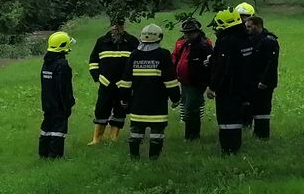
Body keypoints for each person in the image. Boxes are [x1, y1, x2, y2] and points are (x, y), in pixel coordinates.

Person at [125, 24, 181, 159]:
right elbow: (170, 80)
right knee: (157, 133)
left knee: (136, 132)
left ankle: (134, 158)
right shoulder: (163, 54)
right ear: (160, 37)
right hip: (157, 103)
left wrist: (124, 99)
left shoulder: (134, 55)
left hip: (138, 103)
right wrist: (175, 98)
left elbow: (126, 81)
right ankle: (154, 159)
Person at [207, 7, 257, 154]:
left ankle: (228, 149)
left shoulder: (227, 41)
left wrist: (213, 87)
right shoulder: (245, 39)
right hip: (243, 87)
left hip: (228, 89)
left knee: (227, 120)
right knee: (236, 120)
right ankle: (234, 146)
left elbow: (222, 67)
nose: (216, 29)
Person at [87, 17, 138, 145]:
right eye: (114, 25)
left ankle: (113, 138)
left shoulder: (132, 41)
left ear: (123, 25)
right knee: (101, 109)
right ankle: (96, 139)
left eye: (119, 24)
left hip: (124, 84)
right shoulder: (101, 41)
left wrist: (130, 80)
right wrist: (98, 77)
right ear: (110, 26)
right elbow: (93, 62)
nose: (116, 27)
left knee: (120, 110)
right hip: (106, 83)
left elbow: (137, 63)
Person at [171, 17, 212, 139]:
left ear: (197, 32)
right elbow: (177, 59)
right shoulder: (185, 45)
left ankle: (192, 136)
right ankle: (191, 136)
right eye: (185, 33)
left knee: (191, 109)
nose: (187, 35)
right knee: (188, 107)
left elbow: (210, 65)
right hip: (185, 82)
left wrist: (207, 82)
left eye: (190, 32)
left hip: (196, 83)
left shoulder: (204, 46)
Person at [244, 11, 281, 139]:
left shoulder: (269, 41)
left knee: (263, 108)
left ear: (257, 25)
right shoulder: (253, 39)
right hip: (253, 80)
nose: (247, 29)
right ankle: (257, 133)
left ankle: (262, 135)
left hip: (264, 81)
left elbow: (271, 63)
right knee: (255, 107)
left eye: (249, 26)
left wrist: (264, 81)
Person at [39, 32, 75, 158]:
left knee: (47, 127)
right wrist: (67, 104)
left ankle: (43, 153)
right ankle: (55, 155)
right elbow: (64, 87)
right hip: (59, 104)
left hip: (47, 103)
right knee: (58, 130)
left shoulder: (47, 62)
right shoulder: (62, 65)